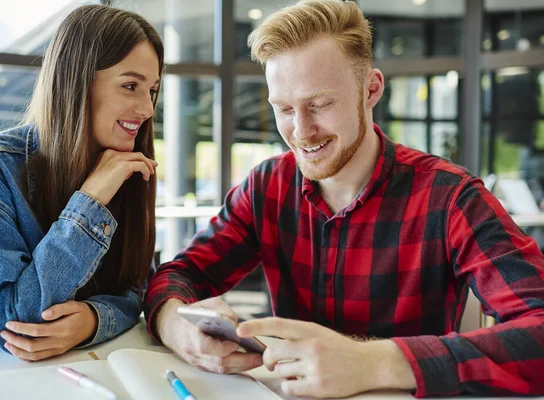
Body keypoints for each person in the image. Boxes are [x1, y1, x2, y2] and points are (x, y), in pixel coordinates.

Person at [144, 0, 544, 398]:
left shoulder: (450, 197)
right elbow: (179, 274)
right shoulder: (267, 185)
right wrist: (177, 328)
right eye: (284, 109)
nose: (301, 131)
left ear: (371, 89)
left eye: (320, 105)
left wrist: (377, 361)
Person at [0, 5, 163, 361]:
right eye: (130, 85)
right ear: (75, 82)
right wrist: (90, 201)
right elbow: (13, 325)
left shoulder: (126, 167)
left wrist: (93, 320)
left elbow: (136, 288)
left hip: (75, 366)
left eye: (151, 89)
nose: (147, 108)